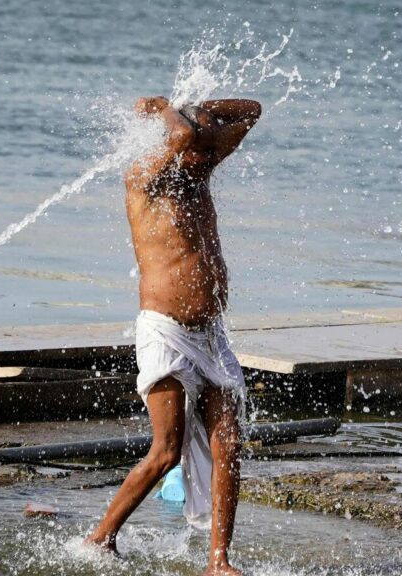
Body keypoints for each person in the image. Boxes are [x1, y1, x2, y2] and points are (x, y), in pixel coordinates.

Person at [84, 96, 262, 576]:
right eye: (202, 144)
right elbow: (182, 134)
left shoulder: (197, 172)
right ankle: (101, 537)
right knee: (165, 452)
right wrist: (168, 110)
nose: (209, 154)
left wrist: (201, 106)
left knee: (229, 442)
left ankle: (218, 563)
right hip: (165, 331)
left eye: (211, 146)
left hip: (211, 335)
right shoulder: (144, 178)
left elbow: (251, 111)